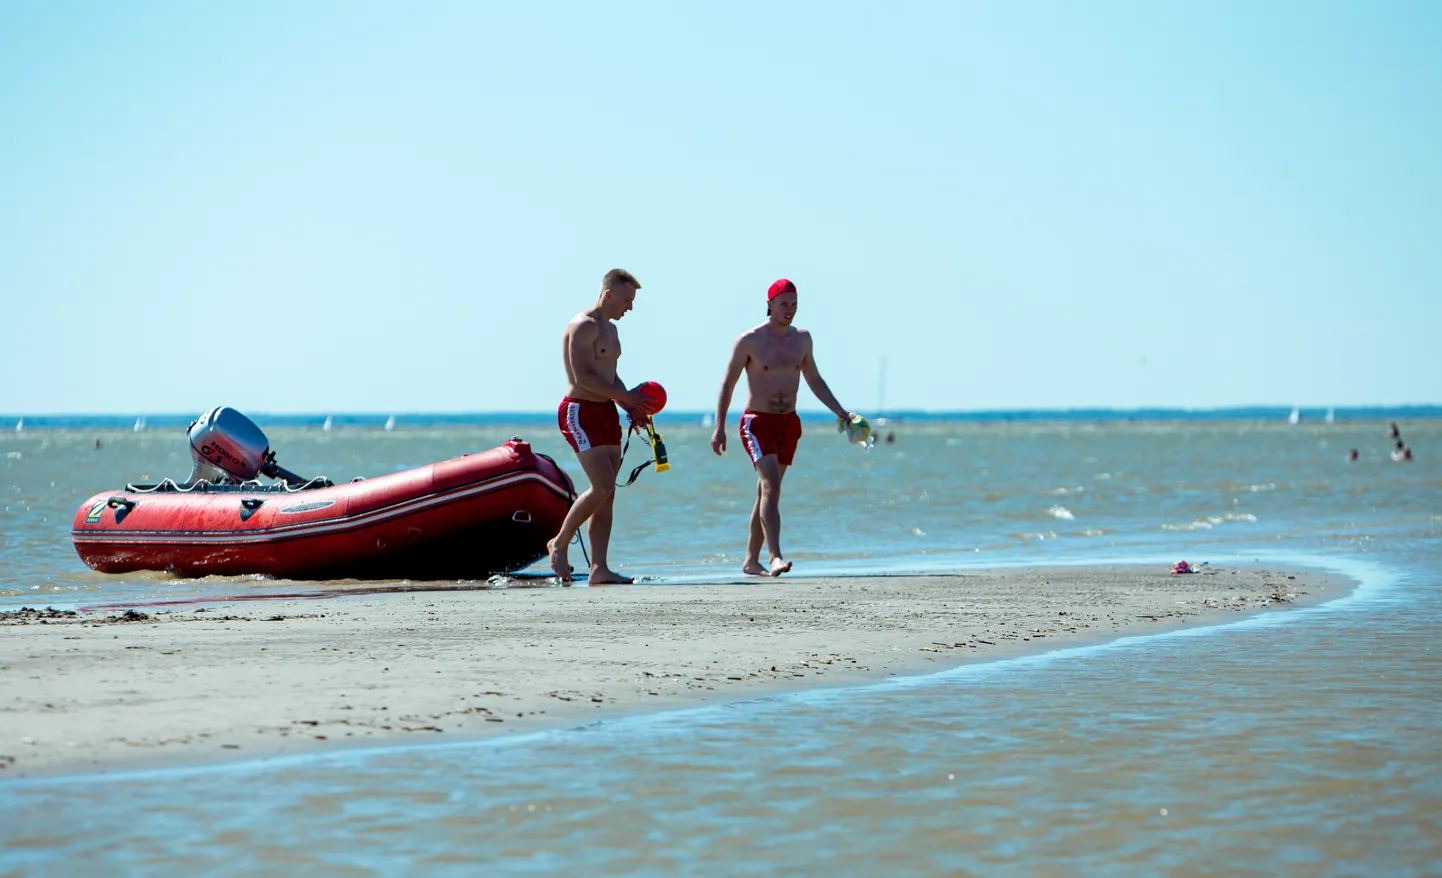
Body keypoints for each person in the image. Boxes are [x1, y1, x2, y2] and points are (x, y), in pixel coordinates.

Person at [710, 278, 859, 577]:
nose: (789, 310)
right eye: (783, 304)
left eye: (794, 304)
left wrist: (842, 412)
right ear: (770, 305)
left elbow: (814, 380)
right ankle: (775, 556)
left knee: (767, 492)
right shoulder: (749, 340)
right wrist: (719, 427)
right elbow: (728, 383)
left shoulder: (802, 339)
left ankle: (751, 562)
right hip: (757, 422)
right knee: (771, 486)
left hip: (788, 423)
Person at [547, 269, 654, 584]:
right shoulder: (582, 326)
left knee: (608, 495)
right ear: (608, 294)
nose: (630, 308)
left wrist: (631, 406)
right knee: (603, 485)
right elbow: (583, 378)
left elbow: (610, 379)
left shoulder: (612, 331)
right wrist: (626, 396)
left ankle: (599, 569)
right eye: (626, 300)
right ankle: (560, 542)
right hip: (579, 411)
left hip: (606, 411)